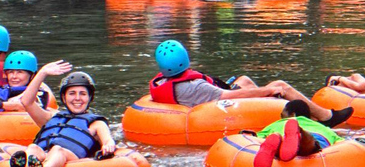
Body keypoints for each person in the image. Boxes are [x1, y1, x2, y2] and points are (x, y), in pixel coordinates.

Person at [149, 40, 352, 127]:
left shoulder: (163, 80)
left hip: (206, 97)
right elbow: (230, 96)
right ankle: (325, 118)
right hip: (216, 108)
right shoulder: (194, 87)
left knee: (243, 79)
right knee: (281, 85)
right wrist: (269, 91)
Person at [10, 60, 116, 167]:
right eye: (72, 93)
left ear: (89, 98)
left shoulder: (96, 123)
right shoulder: (50, 118)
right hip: (45, 154)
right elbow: (26, 102)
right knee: (33, 147)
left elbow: (108, 140)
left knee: (57, 150)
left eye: (83, 94)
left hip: (69, 157)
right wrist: (43, 73)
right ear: (64, 98)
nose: (77, 98)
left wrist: (108, 146)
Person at [253, 100, 344, 167]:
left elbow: (256, 137)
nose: (281, 118)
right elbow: (341, 142)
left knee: (279, 143)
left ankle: (279, 143)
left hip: (282, 134)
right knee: (314, 146)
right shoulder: (322, 127)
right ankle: (301, 134)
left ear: (292, 115)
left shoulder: (278, 123)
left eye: (282, 115)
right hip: (319, 136)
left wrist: (246, 134)